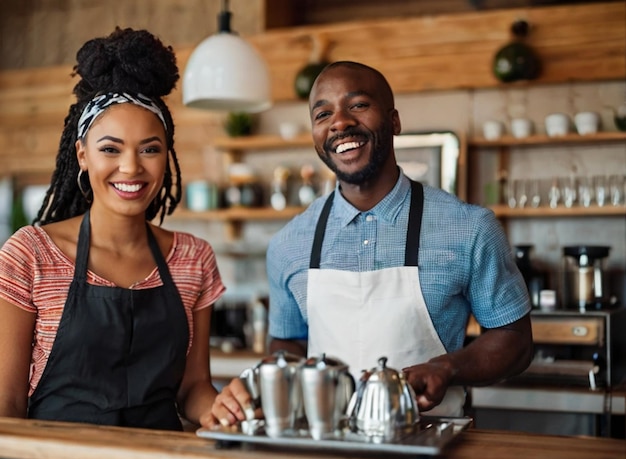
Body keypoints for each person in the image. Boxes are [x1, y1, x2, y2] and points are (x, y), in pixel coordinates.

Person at [210, 61, 533, 426]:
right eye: (323, 113)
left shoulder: (470, 228)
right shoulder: (288, 244)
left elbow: (515, 340)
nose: (340, 122)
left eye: (359, 105)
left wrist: (448, 368)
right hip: (321, 449)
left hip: (430, 445)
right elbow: (288, 344)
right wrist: (266, 378)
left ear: (394, 121)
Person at [0, 28, 225, 432]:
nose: (131, 167)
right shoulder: (30, 254)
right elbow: (6, 401)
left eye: (150, 149)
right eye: (110, 148)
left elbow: (193, 389)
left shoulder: (194, 258)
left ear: (166, 155)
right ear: (82, 154)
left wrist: (226, 411)